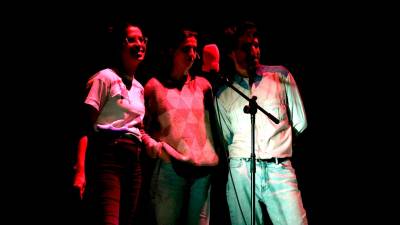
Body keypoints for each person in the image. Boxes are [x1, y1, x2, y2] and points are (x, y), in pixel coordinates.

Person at [214, 20, 308, 225]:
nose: (254, 51)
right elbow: (225, 137)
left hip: (279, 167)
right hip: (241, 171)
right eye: (246, 47)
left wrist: (279, 147)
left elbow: (299, 123)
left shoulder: (280, 76)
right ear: (231, 53)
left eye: (256, 45)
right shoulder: (223, 93)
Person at [72, 18, 148, 225]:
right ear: (121, 44)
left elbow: (138, 128)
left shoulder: (140, 88)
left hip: (135, 160)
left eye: (142, 40)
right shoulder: (105, 78)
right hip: (109, 156)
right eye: (132, 40)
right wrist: (80, 171)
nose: (139, 44)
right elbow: (84, 126)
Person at [140, 28, 219, 225]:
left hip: (202, 171)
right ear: (171, 51)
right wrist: (155, 147)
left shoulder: (203, 86)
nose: (192, 54)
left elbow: (216, 127)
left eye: (194, 49)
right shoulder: (154, 86)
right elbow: (139, 127)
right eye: (186, 49)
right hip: (170, 169)